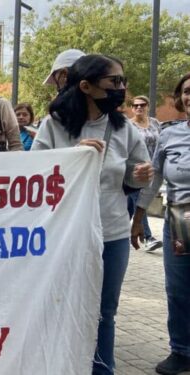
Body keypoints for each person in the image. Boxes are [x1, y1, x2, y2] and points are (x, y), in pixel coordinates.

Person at [31, 54, 153, 375]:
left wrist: (139, 177)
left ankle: (103, 369)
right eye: (114, 82)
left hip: (111, 235)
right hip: (64, 237)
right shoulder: (53, 126)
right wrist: (71, 158)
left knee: (104, 313)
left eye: (123, 81)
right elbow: (34, 177)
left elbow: (132, 174)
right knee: (60, 305)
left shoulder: (124, 128)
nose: (121, 88)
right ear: (85, 86)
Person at [130, 73, 190, 375]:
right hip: (182, 219)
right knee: (179, 289)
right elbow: (153, 179)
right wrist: (138, 217)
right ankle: (182, 350)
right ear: (180, 98)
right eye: (188, 92)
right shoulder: (170, 134)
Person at [127, 95, 163, 252]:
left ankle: (119, 233)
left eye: (142, 105)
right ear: (132, 108)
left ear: (147, 106)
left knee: (130, 206)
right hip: (137, 171)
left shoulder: (155, 123)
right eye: (135, 106)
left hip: (154, 169)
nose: (139, 108)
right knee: (139, 200)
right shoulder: (128, 126)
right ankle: (148, 238)